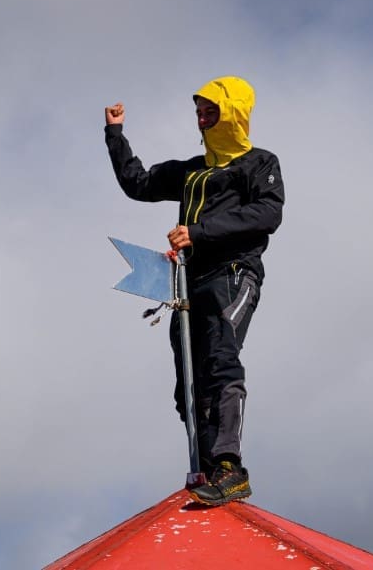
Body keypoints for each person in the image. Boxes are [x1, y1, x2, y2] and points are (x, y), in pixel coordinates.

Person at [103, 76, 284, 506]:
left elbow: (268, 213)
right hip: (188, 285)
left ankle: (230, 468)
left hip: (234, 274)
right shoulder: (191, 171)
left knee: (221, 359)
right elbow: (138, 183)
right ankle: (206, 472)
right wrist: (115, 134)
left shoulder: (259, 163)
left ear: (233, 113)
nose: (202, 120)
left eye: (211, 111)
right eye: (199, 112)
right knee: (189, 382)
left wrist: (198, 233)